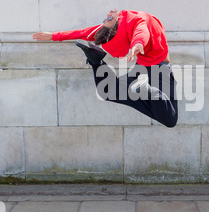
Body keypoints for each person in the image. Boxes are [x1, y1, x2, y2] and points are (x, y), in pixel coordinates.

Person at [32, 9, 178, 128]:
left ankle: (96, 62)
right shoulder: (120, 22)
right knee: (168, 119)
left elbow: (141, 33)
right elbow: (83, 33)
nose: (108, 14)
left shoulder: (137, 20)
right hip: (153, 70)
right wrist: (53, 36)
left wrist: (137, 44)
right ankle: (150, 91)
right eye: (107, 19)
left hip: (151, 70)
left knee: (109, 91)